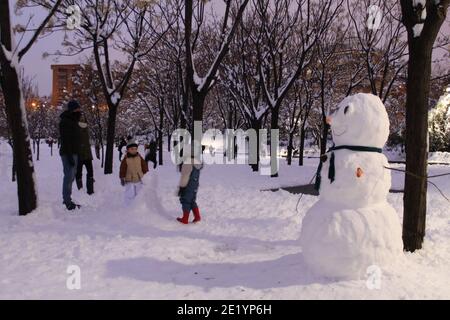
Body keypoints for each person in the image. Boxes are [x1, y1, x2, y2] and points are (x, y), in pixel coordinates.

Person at [59, 100, 82, 210]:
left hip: (74, 153)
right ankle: (67, 201)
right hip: (68, 153)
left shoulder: (74, 121)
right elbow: (66, 140)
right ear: (72, 109)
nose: (79, 110)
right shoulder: (65, 122)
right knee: (68, 176)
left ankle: (67, 198)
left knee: (71, 176)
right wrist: (69, 155)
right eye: (77, 109)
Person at [176, 150, 203, 224]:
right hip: (194, 185)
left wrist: (182, 188)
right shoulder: (196, 163)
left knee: (185, 200)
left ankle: (185, 219)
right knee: (191, 200)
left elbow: (185, 177)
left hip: (188, 185)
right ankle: (197, 216)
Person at [119, 139, 149, 205]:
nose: (134, 150)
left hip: (139, 178)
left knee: (139, 193)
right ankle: (128, 205)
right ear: (128, 150)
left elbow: (144, 165)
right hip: (129, 179)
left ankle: (138, 205)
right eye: (132, 149)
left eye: (135, 149)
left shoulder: (139, 157)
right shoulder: (126, 159)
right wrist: (122, 177)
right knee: (129, 193)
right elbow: (122, 169)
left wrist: (146, 174)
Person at [76, 115, 95, 195]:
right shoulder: (85, 129)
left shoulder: (78, 129)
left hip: (80, 155)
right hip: (86, 154)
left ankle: (81, 190)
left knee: (79, 173)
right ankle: (89, 190)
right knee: (89, 172)